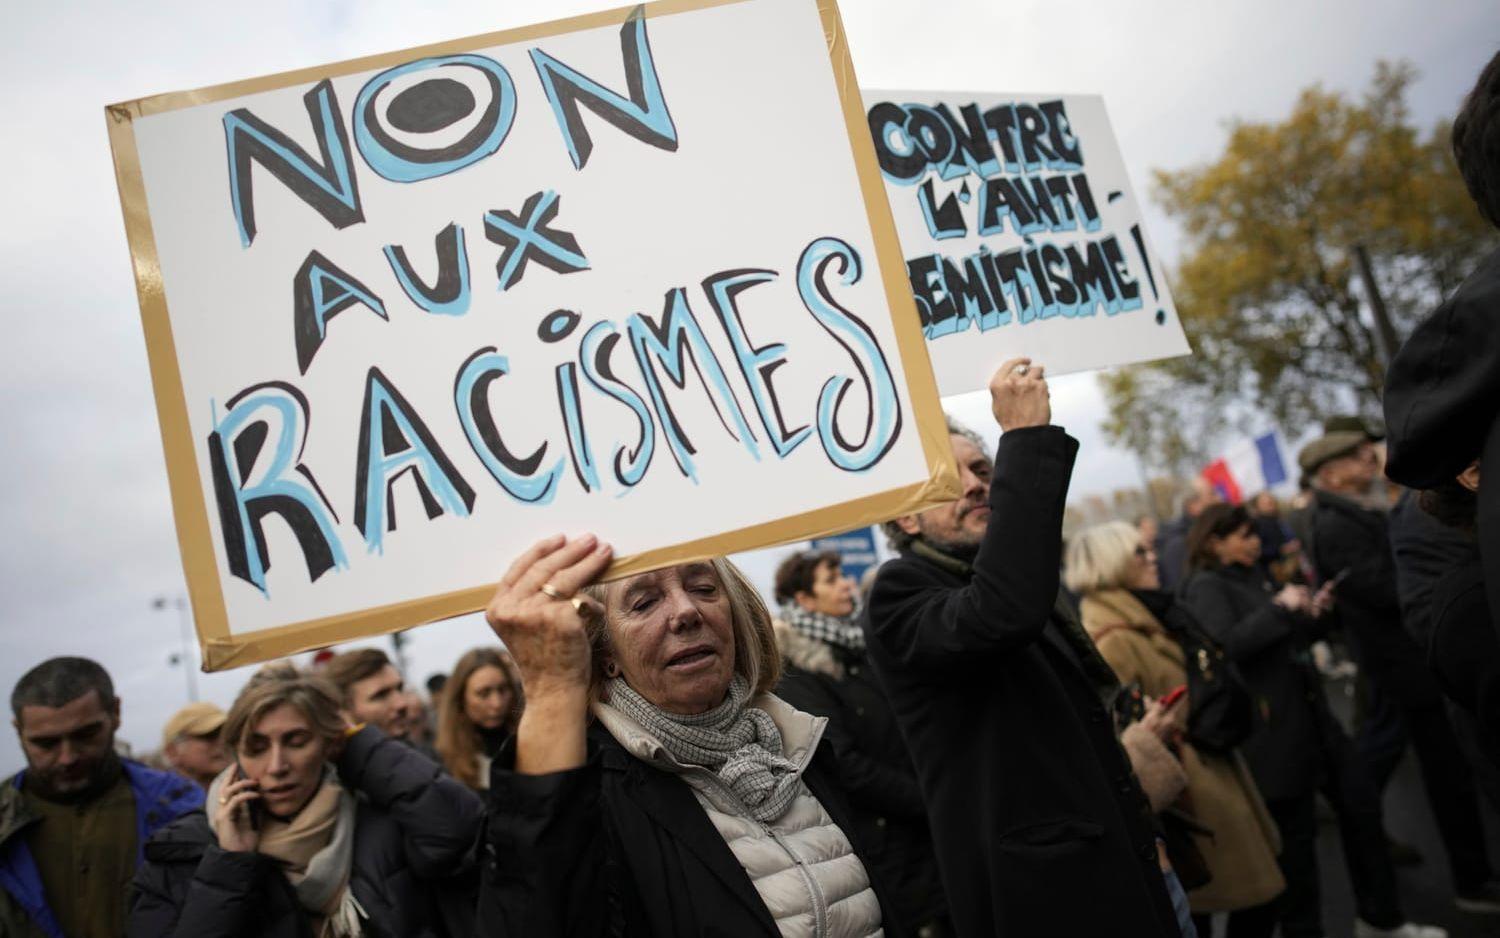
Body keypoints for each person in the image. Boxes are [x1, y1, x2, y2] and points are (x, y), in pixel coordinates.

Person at [863, 358, 1185, 938]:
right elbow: (1001, 611)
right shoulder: (899, 594)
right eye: (946, 475)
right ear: (905, 521)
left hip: (1130, 870)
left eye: (983, 467)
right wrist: (1025, 437)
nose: (975, 483)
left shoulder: (1024, 584)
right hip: (1055, 903)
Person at [476, 535, 901, 937]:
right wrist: (553, 689)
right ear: (607, 658)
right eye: (644, 602)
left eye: (703, 588)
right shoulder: (598, 795)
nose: (686, 612)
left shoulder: (803, 744)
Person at [1179, 503, 1445, 938]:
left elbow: (1284, 636)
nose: (1254, 542)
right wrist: (1280, 609)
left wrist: (1313, 614)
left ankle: (1380, 919)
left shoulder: (1256, 574)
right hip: (1274, 735)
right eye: (1243, 535)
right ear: (1214, 541)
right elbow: (1229, 646)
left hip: (1313, 720)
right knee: (1298, 864)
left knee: (1362, 809)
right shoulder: (1206, 587)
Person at [128, 662, 485, 938]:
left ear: (330, 744)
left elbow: (457, 832)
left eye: (297, 741)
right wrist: (229, 865)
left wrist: (360, 746)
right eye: (256, 747)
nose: (277, 766)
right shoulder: (183, 853)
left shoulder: (383, 823)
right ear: (234, 752)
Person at [1302, 431, 1500, 911]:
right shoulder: (1334, 523)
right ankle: (1469, 879)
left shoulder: (1355, 509)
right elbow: (1384, 587)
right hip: (1405, 666)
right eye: (1352, 455)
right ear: (1328, 474)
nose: (1367, 455)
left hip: (1403, 661)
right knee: (1445, 771)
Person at [1067, 521, 1285, 937]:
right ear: (1110, 565)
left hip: (1206, 773)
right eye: (1140, 553)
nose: (1154, 559)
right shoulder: (1114, 638)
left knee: (1231, 900)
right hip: (1189, 794)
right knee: (1231, 900)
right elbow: (1116, 734)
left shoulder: (1148, 614)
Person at [771, 549, 951, 936]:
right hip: (891, 846)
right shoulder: (799, 671)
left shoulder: (857, 648)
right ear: (803, 599)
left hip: (925, 834)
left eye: (844, 576)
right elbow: (846, 764)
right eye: (832, 580)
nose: (847, 585)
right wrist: (929, 799)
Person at [1, 657, 203, 938]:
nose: (67, 757)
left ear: (116, 713)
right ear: (18, 731)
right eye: (46, 743)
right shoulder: (5, 824)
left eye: (86, 734)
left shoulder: (183, 807)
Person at [435, 647, 524, 790]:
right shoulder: (443, 760)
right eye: (484, 693)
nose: (497, 703)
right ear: (461, 699)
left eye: (502, 690)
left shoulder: (527, 739)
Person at [322, 648, 428, 753]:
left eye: (400, 689)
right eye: (381, 695)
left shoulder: (426, 756)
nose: (402, 704)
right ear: (343, 710)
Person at [1159, 479, 1219, 591]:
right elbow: (1183, 594)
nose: (1219, 499)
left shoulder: (1204, 536)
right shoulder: (1179, 546)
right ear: (1193, 506)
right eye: (1212, 495)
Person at [161, 701, 231, 790]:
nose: (222, 742)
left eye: (227, 734)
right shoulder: (157, 800)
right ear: (172, 751)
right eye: (209, 735)